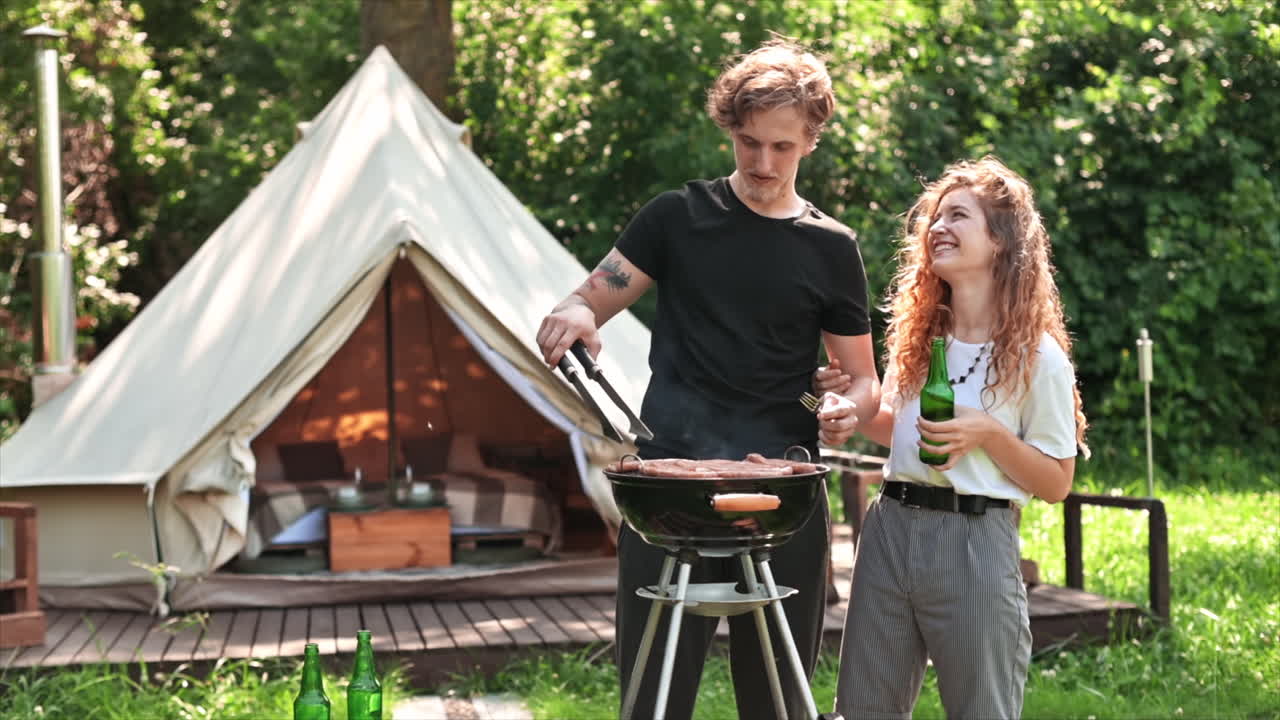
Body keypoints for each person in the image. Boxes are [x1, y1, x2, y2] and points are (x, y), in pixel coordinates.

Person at [537, 39, 880, 720]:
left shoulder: (831, 248)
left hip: (781, 491)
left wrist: (844, 405)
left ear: (811, 140)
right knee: (652, 700)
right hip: (668, 489)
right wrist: (572, 313)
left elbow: (865, 382)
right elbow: (590, 297)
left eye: (781, 147)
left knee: (779, 702)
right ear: (729, 128)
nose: (761, 163)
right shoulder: (676, 218)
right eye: (749, 142)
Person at [816, 156, 1088, 719]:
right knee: (863, 711)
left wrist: (987, 433)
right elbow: (895, 428)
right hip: (889, 530)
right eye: (935, 218)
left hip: (975, 539)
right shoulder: (920, 338)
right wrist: (849, 409)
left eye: (958, 216)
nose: (938, 227)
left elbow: (1057, 481)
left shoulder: (1040, 358)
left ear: (1001, 241)